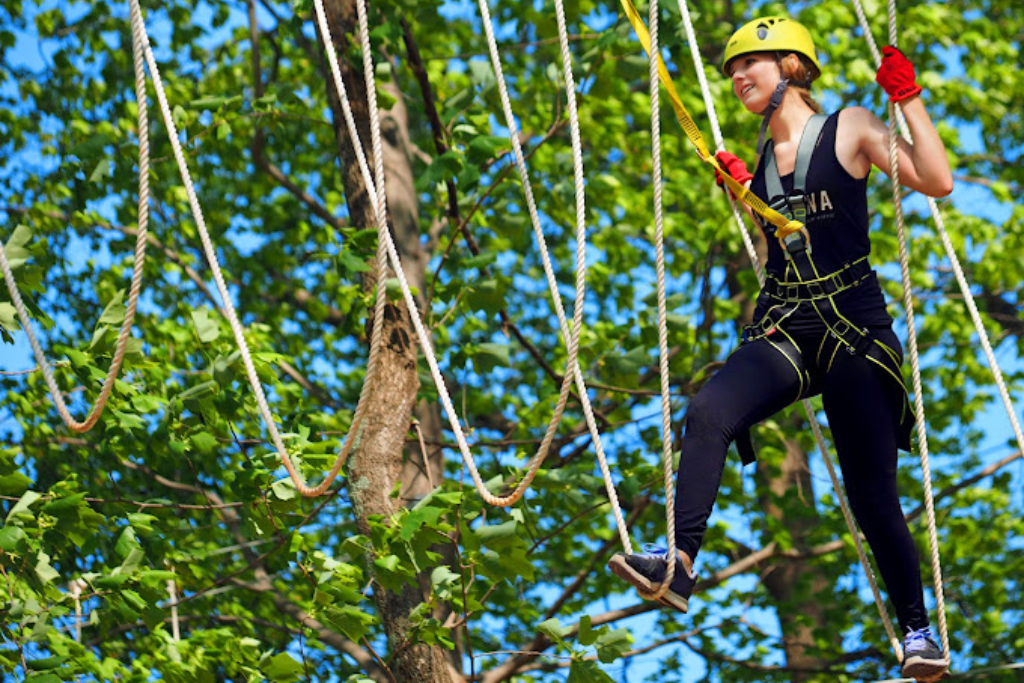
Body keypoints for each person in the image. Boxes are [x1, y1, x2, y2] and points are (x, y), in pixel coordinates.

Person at [607, 15, 952, 682]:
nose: (737, 77)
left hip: (853, 329)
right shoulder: (763, 165)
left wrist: (908, 101)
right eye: (733, 69)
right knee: (707, 411)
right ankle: (679, 564)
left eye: (751, 65)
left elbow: (935, 180)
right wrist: (750, 199)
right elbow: (782, 258)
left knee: (871, 492)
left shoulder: (848, 126)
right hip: (792, 328)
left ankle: (918, 629)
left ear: (791, 66)